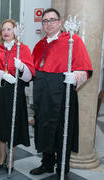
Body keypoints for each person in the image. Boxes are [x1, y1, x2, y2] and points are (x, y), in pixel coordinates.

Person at [30, 8, 93, 177]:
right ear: (42, 25)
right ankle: (47, 164)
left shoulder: (73, 41)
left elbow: (87, 70)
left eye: (52, 20)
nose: (48, 24)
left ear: (60, 22)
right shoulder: (38, 45)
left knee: (61, 132)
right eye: (45, 21)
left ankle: (62, 167)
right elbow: (32, 71)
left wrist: (76, 76)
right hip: (42, 98)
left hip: (62, 97)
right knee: (43, 130)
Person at [0, 19, 35, 171]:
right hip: (0, 91)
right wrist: (2, 75)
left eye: (9, 29)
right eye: (3, 29)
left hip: (16, 92)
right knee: (1, 125)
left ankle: (11, 159)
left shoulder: (23, 49)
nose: (6, 32)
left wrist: (22, 67)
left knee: (14, 125)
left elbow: (30, 75)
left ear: (15, 31)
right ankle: (1, 156)